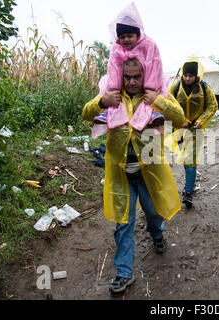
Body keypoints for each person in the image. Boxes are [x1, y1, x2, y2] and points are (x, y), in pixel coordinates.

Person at [82, 57, 186, 294]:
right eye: (126, 77)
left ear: (144, 75)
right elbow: (86, 113)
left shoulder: (154, 95)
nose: (131, 82)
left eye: (136, 77)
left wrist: (159, 101)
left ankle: (157, 233)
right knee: (123, 222)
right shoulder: (112, 96)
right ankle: (124, 273)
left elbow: (179, 118)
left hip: (148, 172)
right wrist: (101, 101)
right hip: (121, 175)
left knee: (153, 212)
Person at [92, 2, 165, 138]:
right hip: (119, 85)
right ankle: (107, 112)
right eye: (122, 37)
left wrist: (151, 89)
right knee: (111, 94)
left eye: (129, 36)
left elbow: (154, 65)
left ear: (137, 34)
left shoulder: (148, 44)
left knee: (150, 99)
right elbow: (113, 67)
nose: (126, 40)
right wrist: (112, 91)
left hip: (150, 82)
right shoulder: (116, 47)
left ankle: (153, 114)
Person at [167, 55, 218, 209]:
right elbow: (167, 104)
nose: (187, 78)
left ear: (196, 76)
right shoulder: (175, 87)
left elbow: (212, 106)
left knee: (190, 159)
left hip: (196, 130)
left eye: (190, 75)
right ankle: (191, 183)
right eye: (185, 75)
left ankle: (188, 192)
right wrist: (179, 119)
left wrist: (201, 120)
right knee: (185, 159)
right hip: (179, 129)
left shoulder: (204, 87)